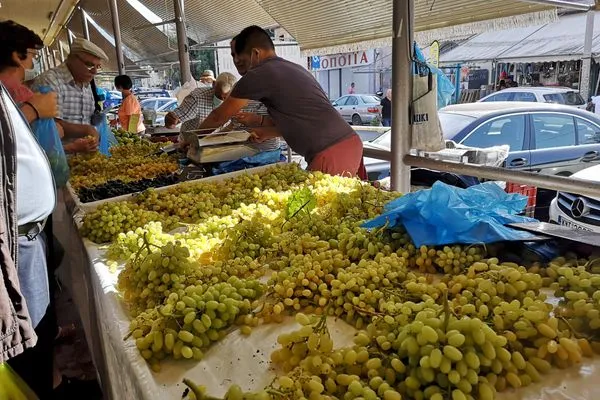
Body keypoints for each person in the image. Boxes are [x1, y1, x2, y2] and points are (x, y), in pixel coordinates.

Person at [195, 25, 364, 177]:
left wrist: (193, 140)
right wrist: (267, 132)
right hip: (347, 144)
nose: (237, 62)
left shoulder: (259, 74)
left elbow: (219, 116)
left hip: (331, 152)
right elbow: (302, 120)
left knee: (312, 209)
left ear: (255, 54)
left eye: (240, 58)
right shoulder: (292, 68)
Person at [35, 37, 106, 154]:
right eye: (89, 65)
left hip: (84, 159)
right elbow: (50, 125)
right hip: (59, 158)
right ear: (72, 58)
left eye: (97, 66)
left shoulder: (87, 84)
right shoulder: (50, 81)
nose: (94, 71)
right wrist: (87, 130)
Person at [0, 21, 60, 131]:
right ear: (17, 56)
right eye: (34, 55)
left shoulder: (21, 92)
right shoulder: (23, 98)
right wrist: (33, 111)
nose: (34, 62)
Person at [227, 37, 281, 153]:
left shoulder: (273, 84)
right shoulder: (239, 86)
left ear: (255, 53)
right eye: (233, 55)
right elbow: (230, 122)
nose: (236, 60)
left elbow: (286, 125)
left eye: (240, 54)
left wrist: (257, 120)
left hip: (265, 153)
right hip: (241, 151)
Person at [164, 72, 237, 131]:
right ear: (214, 85)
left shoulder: (238, 100)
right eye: (219, 96)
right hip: (190, 144)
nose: (222, 100)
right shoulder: (197, 98)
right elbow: (172, 123)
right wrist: (170, 121)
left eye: (226, 98)